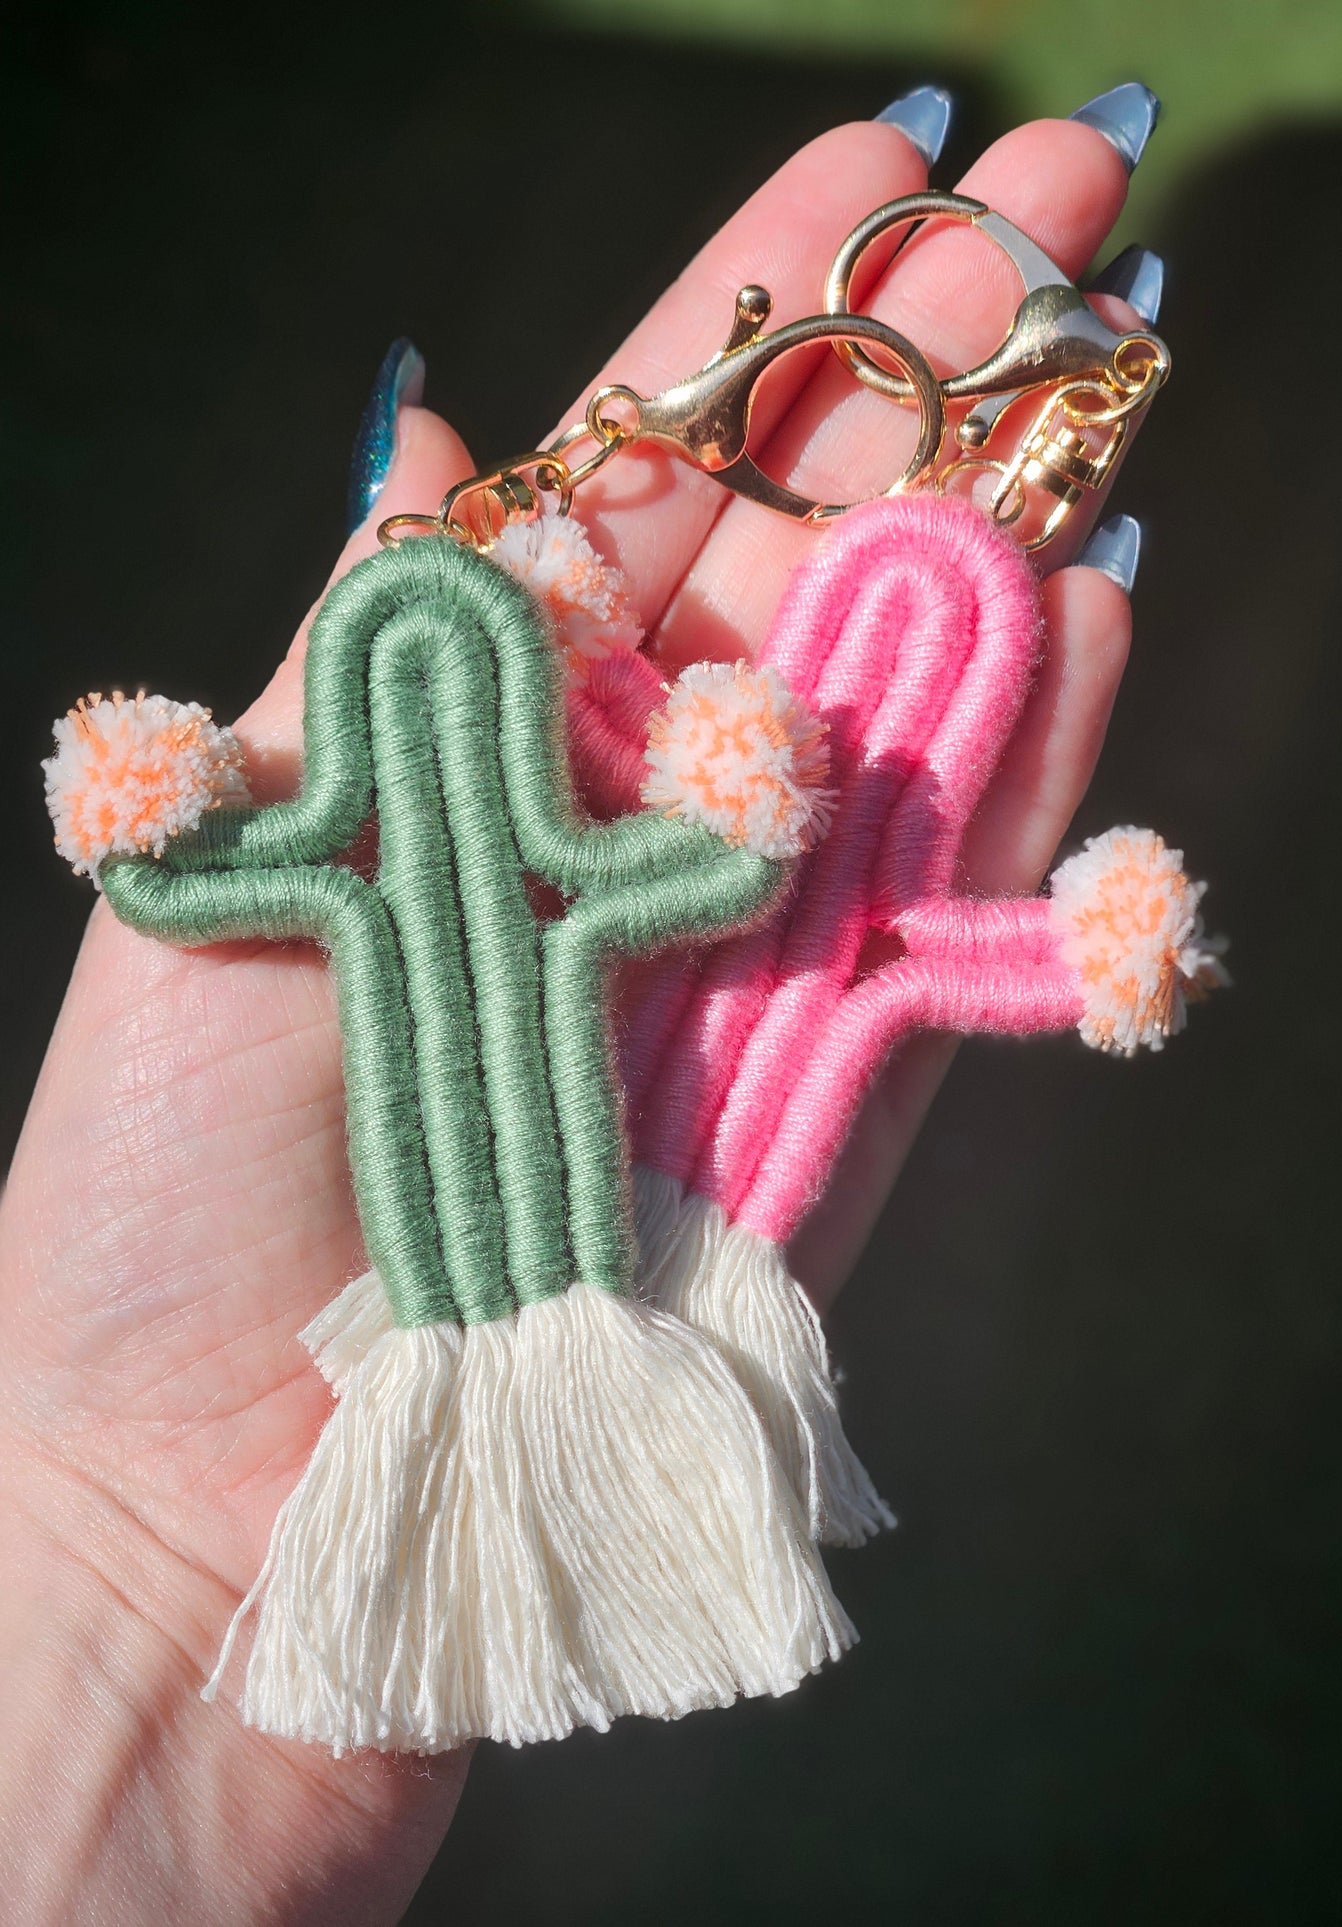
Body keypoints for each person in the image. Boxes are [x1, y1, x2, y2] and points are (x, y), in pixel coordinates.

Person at [0, 84, 1160, 1922]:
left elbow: (695, 862)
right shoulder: (441, 872)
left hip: (557, 1285)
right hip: (539, 1292)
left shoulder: (473, 873)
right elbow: (680, 853)